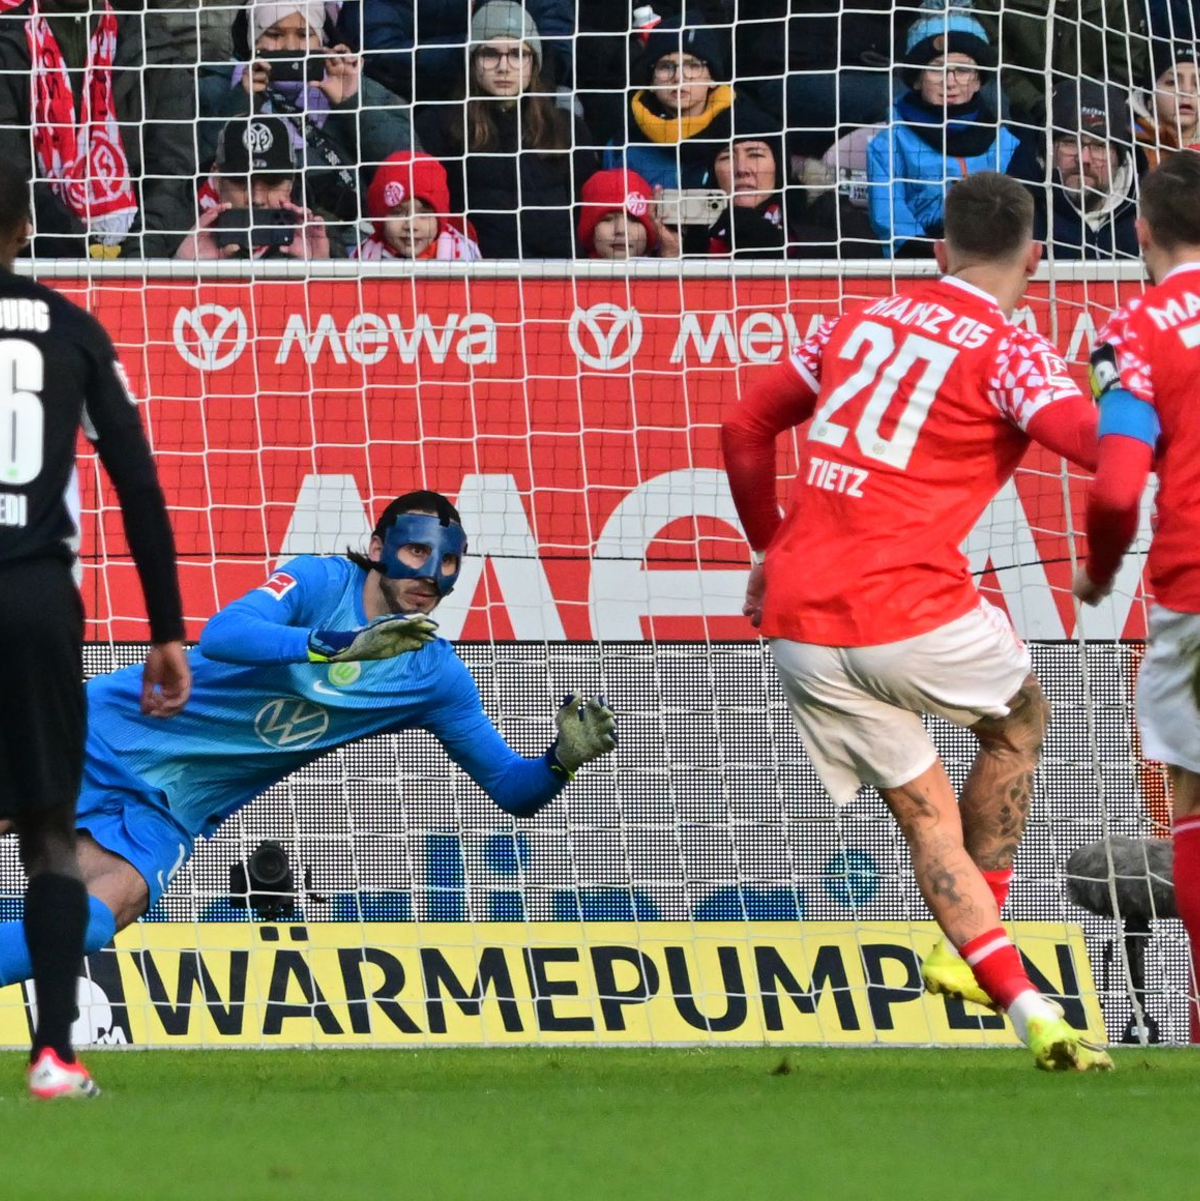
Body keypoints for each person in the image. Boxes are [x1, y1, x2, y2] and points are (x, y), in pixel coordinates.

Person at [720, 171, 1112, 1071]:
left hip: (799, 621)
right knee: (1017, 724)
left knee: (925, 817)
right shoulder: (1012, 351)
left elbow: (744, 424)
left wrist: (769, 547)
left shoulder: (851, 321)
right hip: (909, 604)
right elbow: (1089, 446)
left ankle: (1023, 1006)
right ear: (1034, 259)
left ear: (940, 252)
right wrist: (1120, 395)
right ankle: (993, 926)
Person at [0, 491, 615, 1001]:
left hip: (167, 809)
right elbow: (222, 634)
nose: (429, 574)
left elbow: (512, 788)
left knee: (90, 921)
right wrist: (332, 644)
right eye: (416, 550)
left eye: (446, 562)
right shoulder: (321, 581)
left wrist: (560, 760)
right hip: (103, 734)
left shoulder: (434, 676)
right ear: (379, 550)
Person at [0, 175, 191, 1097]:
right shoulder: (72, 327)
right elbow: (138, 485)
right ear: (26, 228)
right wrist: (166, 629)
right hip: (35, 599)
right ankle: (52, 1053)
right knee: (46, 835)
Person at [1072, 151, 1200, 1039]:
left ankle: (1199, 1017)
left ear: (1141, 228)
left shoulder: (1136, 330)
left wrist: (1102, 565)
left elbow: (1118, 486)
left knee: (1191, 799)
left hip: (1196, 585)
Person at [196, 0, 413, 244]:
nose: (290, 46)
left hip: (349, 243)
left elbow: (411, 172)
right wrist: (242, 101)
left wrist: (352, 102)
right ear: (251, 38)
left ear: (321, 40)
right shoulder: (214, 90)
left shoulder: (359, 89)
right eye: (274, 34)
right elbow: (197, 173)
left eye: (304, 35)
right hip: (240, 237)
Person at [0, 0, 196, 258]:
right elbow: (12, 175)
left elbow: (172, 174)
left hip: (143, 267)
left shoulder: (154, 48)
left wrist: (136, 261)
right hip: (39, 262)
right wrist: (84, 256)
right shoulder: (7, 46)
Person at [415, 2, 597, 259]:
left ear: (534, 63)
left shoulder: (568, 130)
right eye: (490, 54)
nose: (503, 66)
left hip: (559, 277)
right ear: (472, 61)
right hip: (474, 278)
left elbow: (587, 213)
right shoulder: (438, 127)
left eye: (517, 54)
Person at [867, 13, 1027, 259]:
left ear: (978, 81)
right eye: (937, 70)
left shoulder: (1006, 143)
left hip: (993, 257)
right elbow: (890, 215)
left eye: (962, 70)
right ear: (917, 80)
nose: (950, 82)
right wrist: (930, 254)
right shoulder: (888, 142)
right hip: (919, 261)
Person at [1011, 79, 1142, 261]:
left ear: (1120, 159)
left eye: (1099, 146)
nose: (1083, 159)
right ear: (1047, 150)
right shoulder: (1013, 216)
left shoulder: (1150, 218)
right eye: (1070, 142)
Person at [601, 17, 735, 194]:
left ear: (713, 78)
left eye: (692, 66)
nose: (679, 77)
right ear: (651, 82)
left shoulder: (740, 135)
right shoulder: (621, 147)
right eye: (665, 67)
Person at [177, 116, 331, 261]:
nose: (257, 199)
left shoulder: (316, 233)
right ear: (217, 179)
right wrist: (182, 267)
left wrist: (318, 267)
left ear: (290, 184)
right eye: (242, 181)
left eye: (272, 183)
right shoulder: (172, 223)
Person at [355, 151, 482, 260]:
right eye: (398, 213)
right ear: (379, 219)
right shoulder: (361, 258)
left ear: (440, 220)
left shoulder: (465, 258)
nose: (411, 226)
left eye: (424, 214)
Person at [1135, 40, 1200, 169]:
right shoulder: (1129, 145)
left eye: (1198, 84)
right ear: (1149, 98)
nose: (1187, 92)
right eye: (1171, 82)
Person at [576, 167, 665, 259]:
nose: (621, 230)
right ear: (590, 231)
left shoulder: (671, 269)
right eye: (607, 219)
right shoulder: (568, 272)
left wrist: (671, 252)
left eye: (634, 220)